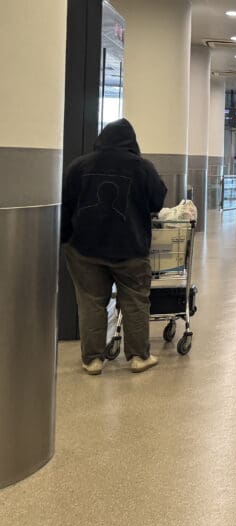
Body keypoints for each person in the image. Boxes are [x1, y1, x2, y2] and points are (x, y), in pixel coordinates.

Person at [60, 118, 167, 375]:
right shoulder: (142, 168)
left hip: (85, 249)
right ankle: (139, 356)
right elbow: (157, 202)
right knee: (135, 301)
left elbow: (66, 206)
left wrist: (66, 240)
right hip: (130, 248)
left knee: (91, 302)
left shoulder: (79, 166)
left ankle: (93, 360)